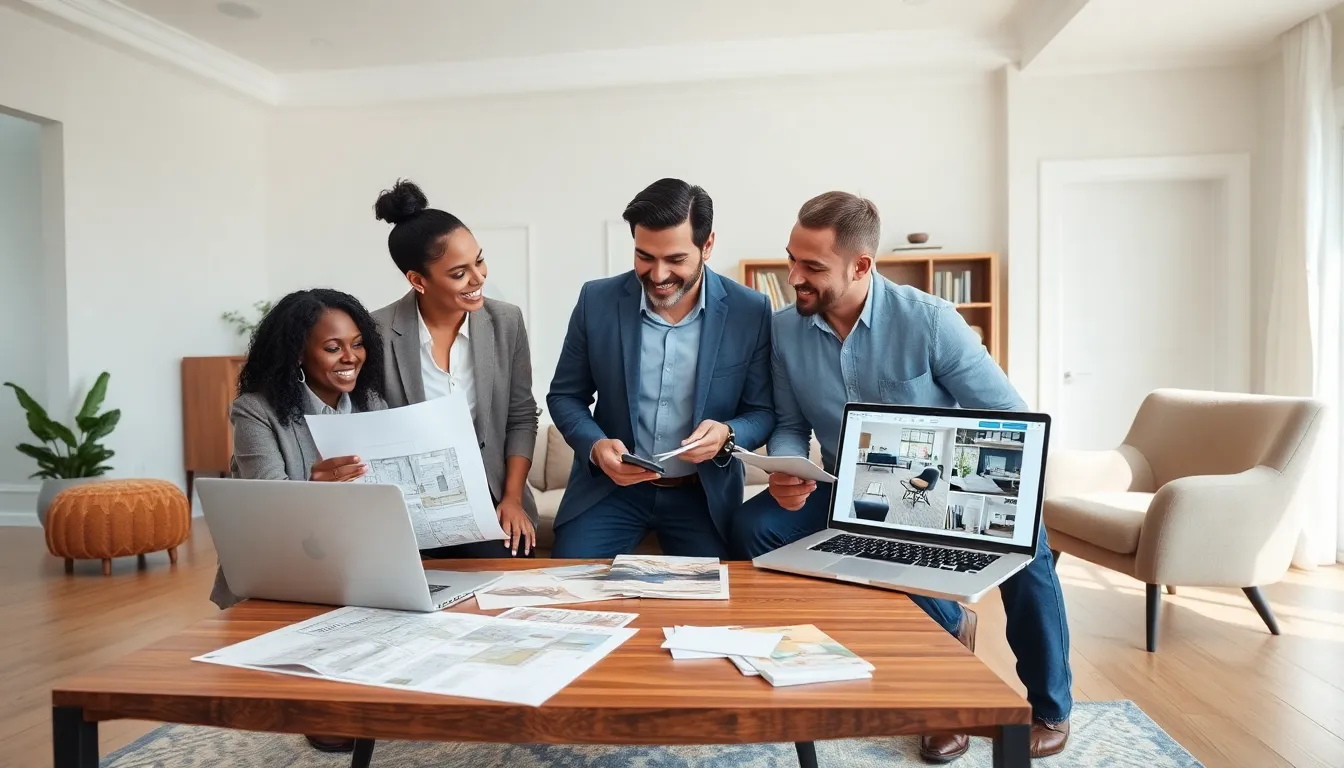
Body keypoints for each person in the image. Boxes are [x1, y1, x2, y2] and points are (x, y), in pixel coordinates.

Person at [730, 192, 1072, 763]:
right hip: (846, 491)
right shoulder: (785, 331)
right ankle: (944, 644)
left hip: (944, 488)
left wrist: (961, 483)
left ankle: (1050, 706)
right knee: (757, 524)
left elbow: (1010, 418)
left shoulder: (931, 322)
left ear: (861, 266)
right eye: (791, 259)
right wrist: (787, 472)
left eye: (812, 267)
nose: (794, 277)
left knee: (1027, 542)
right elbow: (790, 426)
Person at [546, 178, 774, 558]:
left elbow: (763, 411)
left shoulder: (750, 311)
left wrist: (727, 433)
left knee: (713, 608)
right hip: (610, 492)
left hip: (702, 497)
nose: (658, 275)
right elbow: (566, 395)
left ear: (708, 246)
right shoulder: (596, 301)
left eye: (676, 259)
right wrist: (596, 446)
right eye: (645, 256)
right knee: (568, 591)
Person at [209, 287, 387, 755]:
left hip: (358, 556)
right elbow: (269, 506)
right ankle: (316, 696)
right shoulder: (256, 410)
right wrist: (313, 486)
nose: (350, 357)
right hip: (286, 564)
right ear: (297, 355)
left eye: (357, 343)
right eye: (332, 348)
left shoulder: (373, 406)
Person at [371, 179, 539, 558]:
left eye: (479, 260)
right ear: (418, 280)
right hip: (409, 508)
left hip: (492, 499)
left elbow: (521, 416)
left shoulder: (506, 321)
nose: (479, 278)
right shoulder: (376, 332)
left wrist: (511, 499)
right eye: (459, 272)